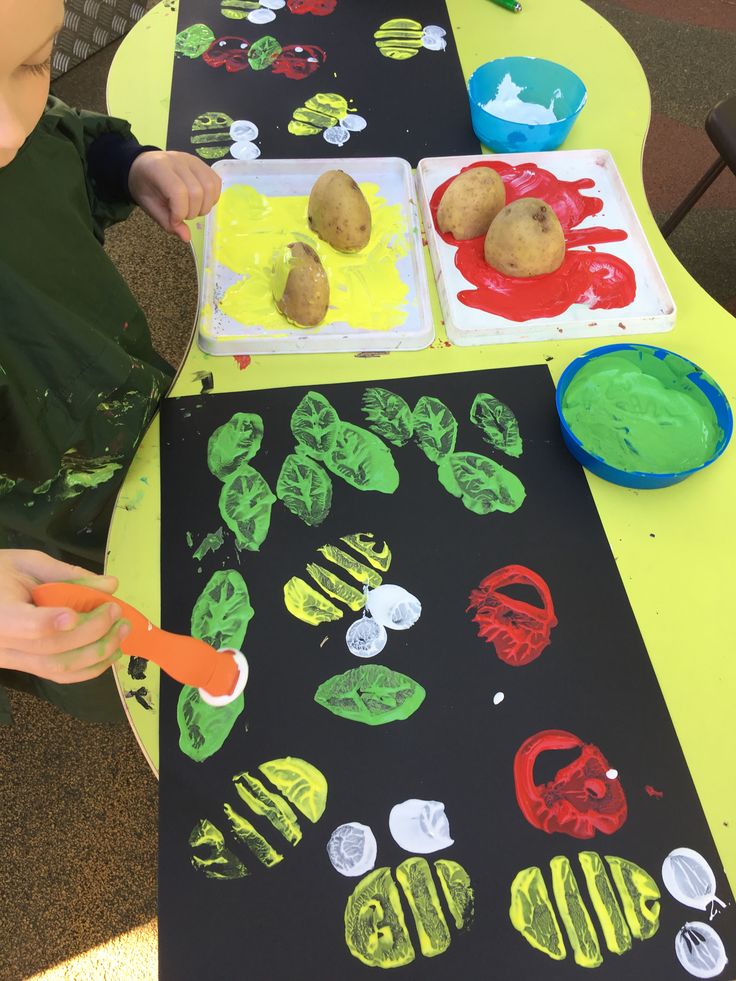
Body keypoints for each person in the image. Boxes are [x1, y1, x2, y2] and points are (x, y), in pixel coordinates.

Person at [0, 0, 221, 723]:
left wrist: (129, 166)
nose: (7, 131)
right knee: (139, 661)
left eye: (32, 62)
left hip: (127, 400)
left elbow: (64, 132)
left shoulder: (26, 128)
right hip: (42, 538)